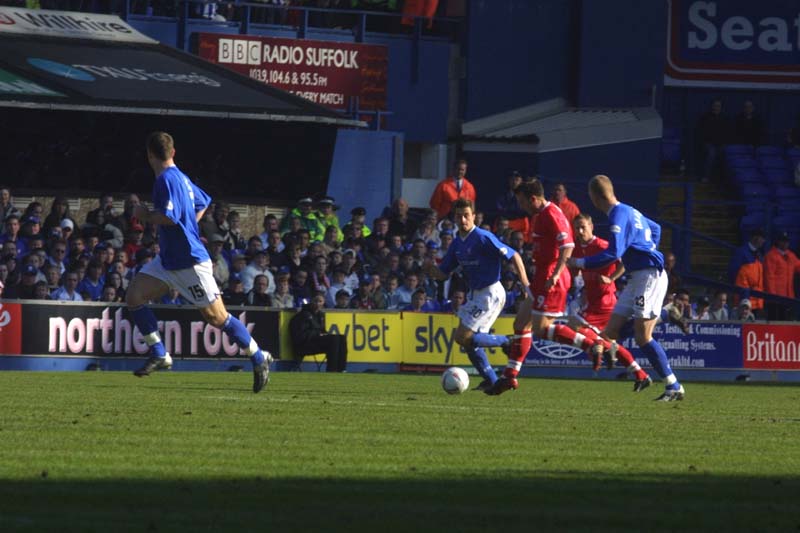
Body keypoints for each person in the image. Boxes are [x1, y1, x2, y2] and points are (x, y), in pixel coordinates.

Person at [125, 132, 271, 393]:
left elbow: (169, 217)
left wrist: (144, 215)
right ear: (173, 152)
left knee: (217, 317)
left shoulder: (166, 180)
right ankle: (159, 353)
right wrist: (189, 223)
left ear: (149, 155)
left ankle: (258, 356)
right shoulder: (181, 177)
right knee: (134, 295)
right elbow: (203, 202)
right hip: (169, 260)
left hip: (190, 261)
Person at [567, 175, 685, 401]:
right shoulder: (631, 211)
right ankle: (665, 313)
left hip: (649, 276)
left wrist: (579, 263)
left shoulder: (618, 215)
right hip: (637, 276)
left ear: (594, 197)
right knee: (610, 333)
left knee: (643, 336)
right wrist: (647, 247)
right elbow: (656, 228)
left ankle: (673, 386)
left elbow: (613, 253)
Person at [422, 198, 530, 391]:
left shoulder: (483, 237)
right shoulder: (456, 244)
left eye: (466, 215)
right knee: (468, 341)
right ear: (454, 218)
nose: (463, 220)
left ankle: (508, 341)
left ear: (473, 217)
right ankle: (493, 380)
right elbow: (443, 274)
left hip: (490, 293)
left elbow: (514, 255)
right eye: (459, 216)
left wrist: (526, 283)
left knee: (462, 336)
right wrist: (430, 269)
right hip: (475, 295)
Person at [567, 213, 652, 383]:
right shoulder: (576, 248)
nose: (580, 230)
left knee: (575, 326)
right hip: (591, 302)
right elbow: (575, 270)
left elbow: (625, 261)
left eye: (583, 226)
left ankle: (602, 349)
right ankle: (639, 374)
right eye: (577, 228)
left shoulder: (603, 245)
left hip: (607, 302)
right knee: (607, 342)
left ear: (592, 227)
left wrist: (611, 278)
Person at [289, 291, 348, 372]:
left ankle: (342, 369)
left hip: (316, 342)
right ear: (311, 301)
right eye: (315, 301)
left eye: (320, 301)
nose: (317, 304)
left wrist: (323, 334)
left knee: (341, 338)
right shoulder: (303, 315)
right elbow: (300, 336)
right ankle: (332, 370)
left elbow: (322, 331)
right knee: (334, 340)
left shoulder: (321, 316)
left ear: (323, 302)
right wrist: (318, 334)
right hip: (304, 345)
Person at [763, 231, 800, 321]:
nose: (785, 243)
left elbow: (798, 266)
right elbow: (769, 277)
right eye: (783, 241)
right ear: (778, 241)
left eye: (787, 241)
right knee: (775, 321)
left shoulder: (791, 255)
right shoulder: (771, 256)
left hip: (788, 296)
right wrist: (773, 297)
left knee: (786, 322)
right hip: (776, 298)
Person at [695, 98, 729, 182]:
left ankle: (724, 179)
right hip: (708, 143)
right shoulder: (705, 117)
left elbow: (728, 132)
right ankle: (706, 177)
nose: (716, 107)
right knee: (711, 154)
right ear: (712, 106)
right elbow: (701, 132)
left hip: (722, 144)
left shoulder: (725, 118)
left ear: (721, 107)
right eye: (715, 105)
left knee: (727, 155)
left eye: (718, 106)